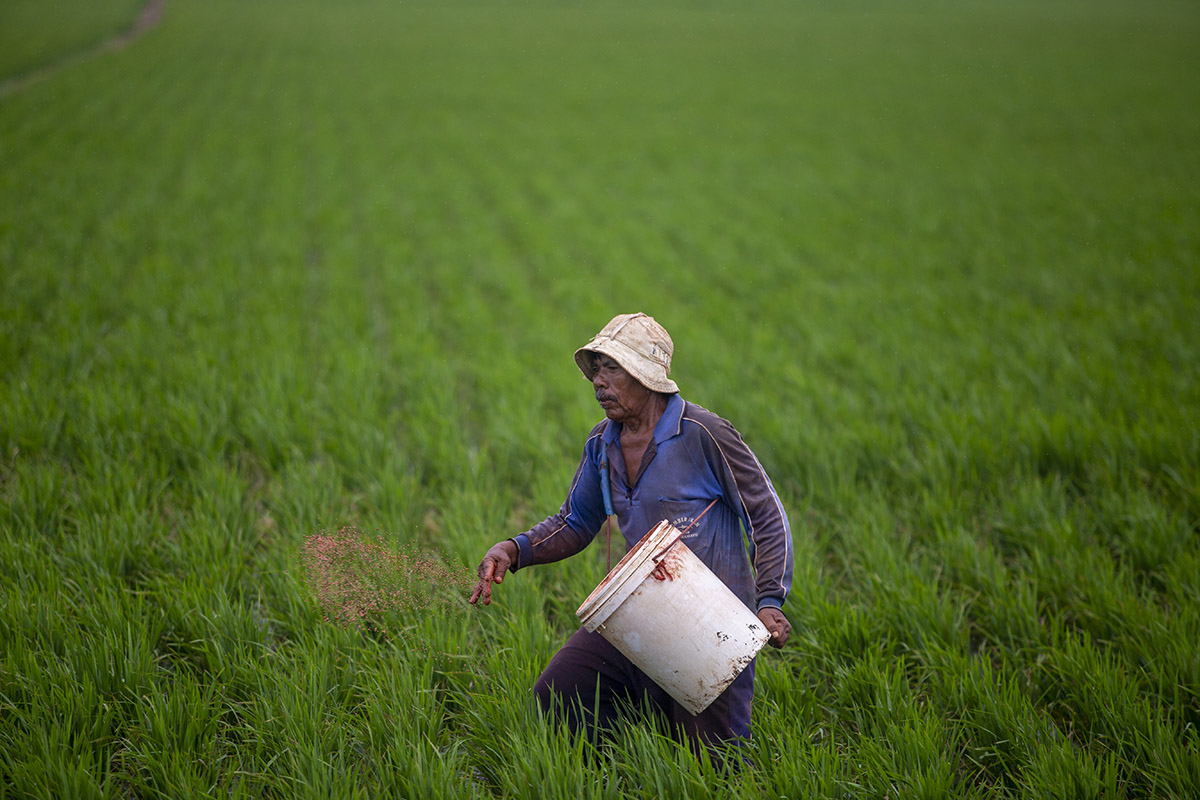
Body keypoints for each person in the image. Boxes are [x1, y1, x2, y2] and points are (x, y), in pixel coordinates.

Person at [469, 312, 793, 763]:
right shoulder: (603, 442)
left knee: (710, 767)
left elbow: (765, 514)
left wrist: (770, 600)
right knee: (558, 697)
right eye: (596, 369)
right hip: (639, 612)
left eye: (612, 368)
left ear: (648, 378)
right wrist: (514, 549)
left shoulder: (704, 435)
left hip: (711, 625)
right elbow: (576, 521)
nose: (599, 381)